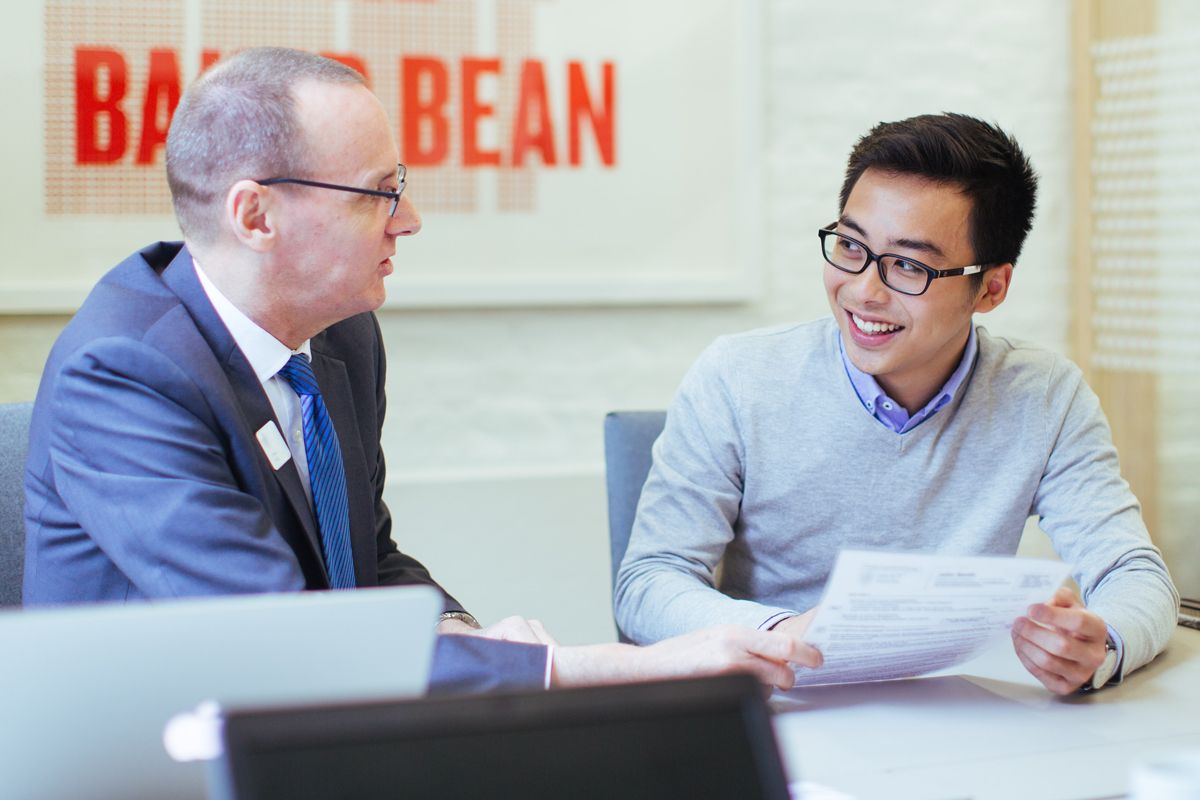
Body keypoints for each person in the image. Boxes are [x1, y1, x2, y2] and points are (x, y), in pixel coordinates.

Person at [22, 47, 820, 694]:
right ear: (256, 216)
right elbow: (282, 641)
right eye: (376, 193)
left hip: (322, 738)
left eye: (398, 186)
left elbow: (366, 561)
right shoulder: (122, 376)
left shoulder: (341, 336)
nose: (408, 219)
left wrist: (457, 631)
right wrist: (612, 669)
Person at [614, 113, 1179, 695]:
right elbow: (648, 582)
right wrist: (781, 635)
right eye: (851, 246)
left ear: (991, 288)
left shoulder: (1045, 396)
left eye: (909, 265)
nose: (864, 290)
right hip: (785, 708)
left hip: (956, 712)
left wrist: (1101, 643)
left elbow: (1133, 572)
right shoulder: (737, 378)